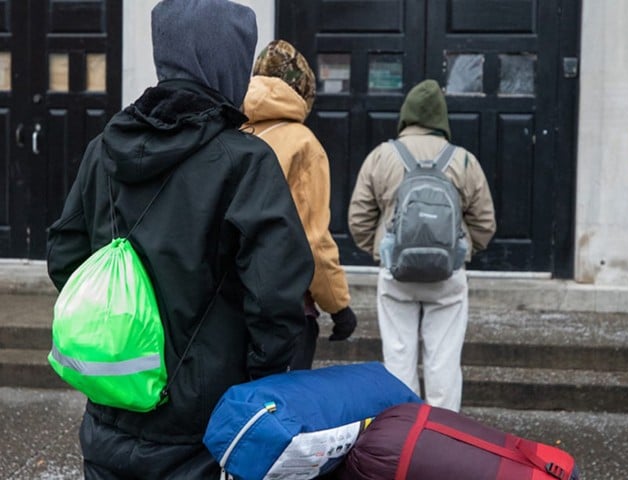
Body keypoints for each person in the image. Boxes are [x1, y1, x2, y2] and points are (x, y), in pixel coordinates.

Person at [46, 1, 314, 478]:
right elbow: (275, 299)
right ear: (228, 61)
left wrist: (122, 330)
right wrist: (258, 387)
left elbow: (65, 256)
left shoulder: (103, 148)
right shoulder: (245, 162)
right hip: (204, 426)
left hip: (112, 402)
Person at [348, 79, 496, 412]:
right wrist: (462, 251)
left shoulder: (381, 157)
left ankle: (403, 432)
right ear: (442, 119)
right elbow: (485, 223)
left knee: (398, 357)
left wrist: (381, 251)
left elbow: (358, 219)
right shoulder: (463, 161)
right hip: (447, 275)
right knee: (443, 360)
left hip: (396, 274)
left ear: (406, 116)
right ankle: (441, 437)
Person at [242, 39, 357, 369]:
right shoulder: (302, 144)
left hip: (225, 303)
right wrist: (338, 305)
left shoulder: (228, 130)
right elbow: (312, 240)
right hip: (284, 304)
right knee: (281, 408)